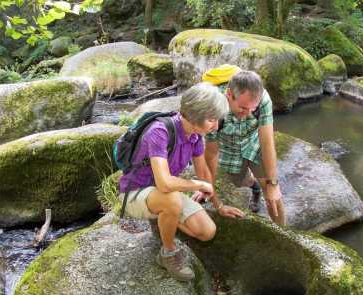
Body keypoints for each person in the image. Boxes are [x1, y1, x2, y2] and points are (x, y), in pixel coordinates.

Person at [117, 82, 229, 282]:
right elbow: (165, 184)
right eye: (212, 119)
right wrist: (197, 186)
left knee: (207, 232)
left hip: (163, 195)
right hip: (134, 194)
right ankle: (167, 253)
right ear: (195, 116)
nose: (216, 125)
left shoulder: (195, 136)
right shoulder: (159, 132)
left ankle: (162, 219)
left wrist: (218, 205)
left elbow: (203, 171)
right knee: (172, 201)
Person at [199, 69, 287, 226]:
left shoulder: (263, 100)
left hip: (254, 145)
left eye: (252, 110)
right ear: (229, 94)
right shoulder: (212, 107)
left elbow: (267, 143)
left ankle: (286, 236)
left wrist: (273, 184)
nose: (247, 114)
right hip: (229, 149)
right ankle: (254, 186)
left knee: (273, 196)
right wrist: (208, 190)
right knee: (241, 182)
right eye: (242, 108)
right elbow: (211, 154)